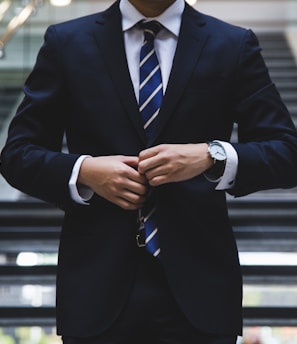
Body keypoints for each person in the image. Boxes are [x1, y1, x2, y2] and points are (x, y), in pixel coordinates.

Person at [1, 0, 297, 343]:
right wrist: (84, 170)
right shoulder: (66, 41)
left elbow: (286, 153)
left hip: (201, 292)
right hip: (96, 290)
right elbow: (17, 156)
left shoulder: (232, 43)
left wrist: (212, 155)